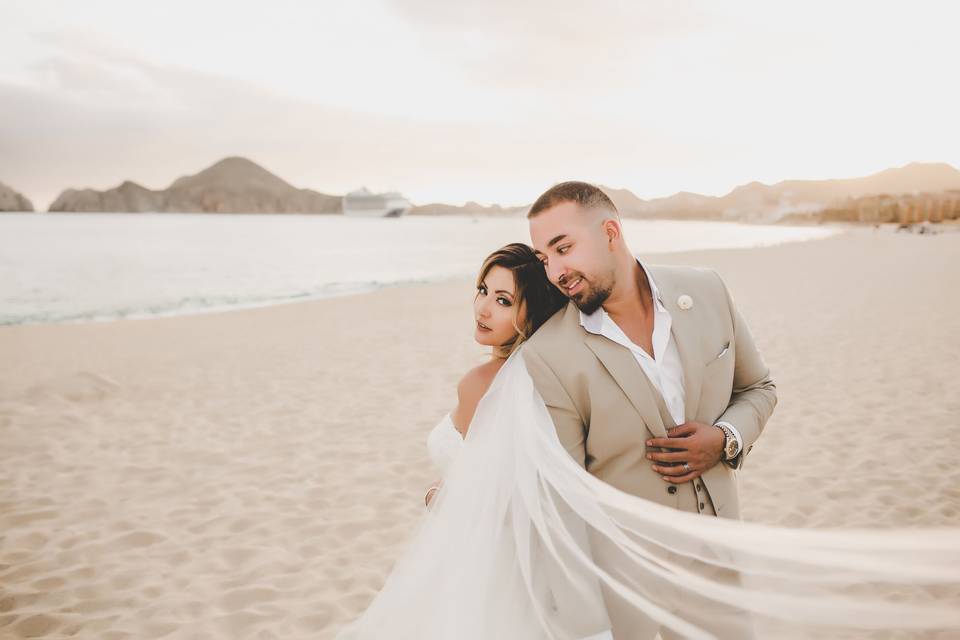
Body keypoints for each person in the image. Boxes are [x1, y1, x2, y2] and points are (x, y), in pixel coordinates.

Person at [335, 190, 960, 640]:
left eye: (563, 247)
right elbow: (556, 475)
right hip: (622, 574)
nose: (556, 269)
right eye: (545, 257)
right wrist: (477, 488)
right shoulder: (552, 352)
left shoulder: (707, 289)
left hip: (718, 550)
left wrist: (725, 437)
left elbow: (760, 387)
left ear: (611, 231)